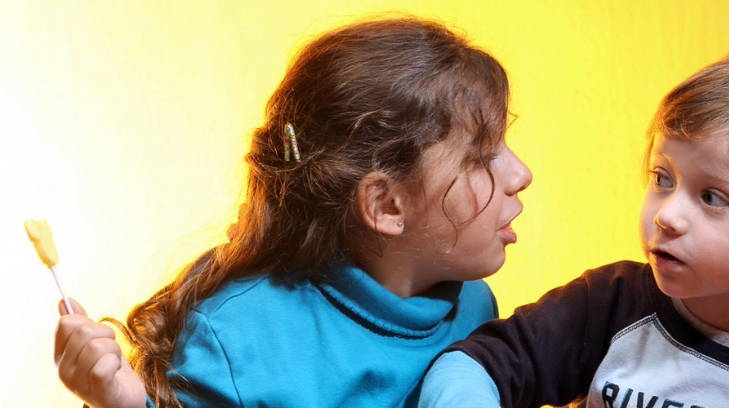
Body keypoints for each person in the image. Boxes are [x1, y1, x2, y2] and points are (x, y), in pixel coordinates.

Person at [54, 16, 532, 408]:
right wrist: (121, 402)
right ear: (387, 206)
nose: (521, 174)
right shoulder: (237, 338)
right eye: (480, 157)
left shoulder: (475, 305)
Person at [419, 42, 729, 407]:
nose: (667, 215)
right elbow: (471, 364)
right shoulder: (608, 305)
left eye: (712, 197)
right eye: (662, 178)